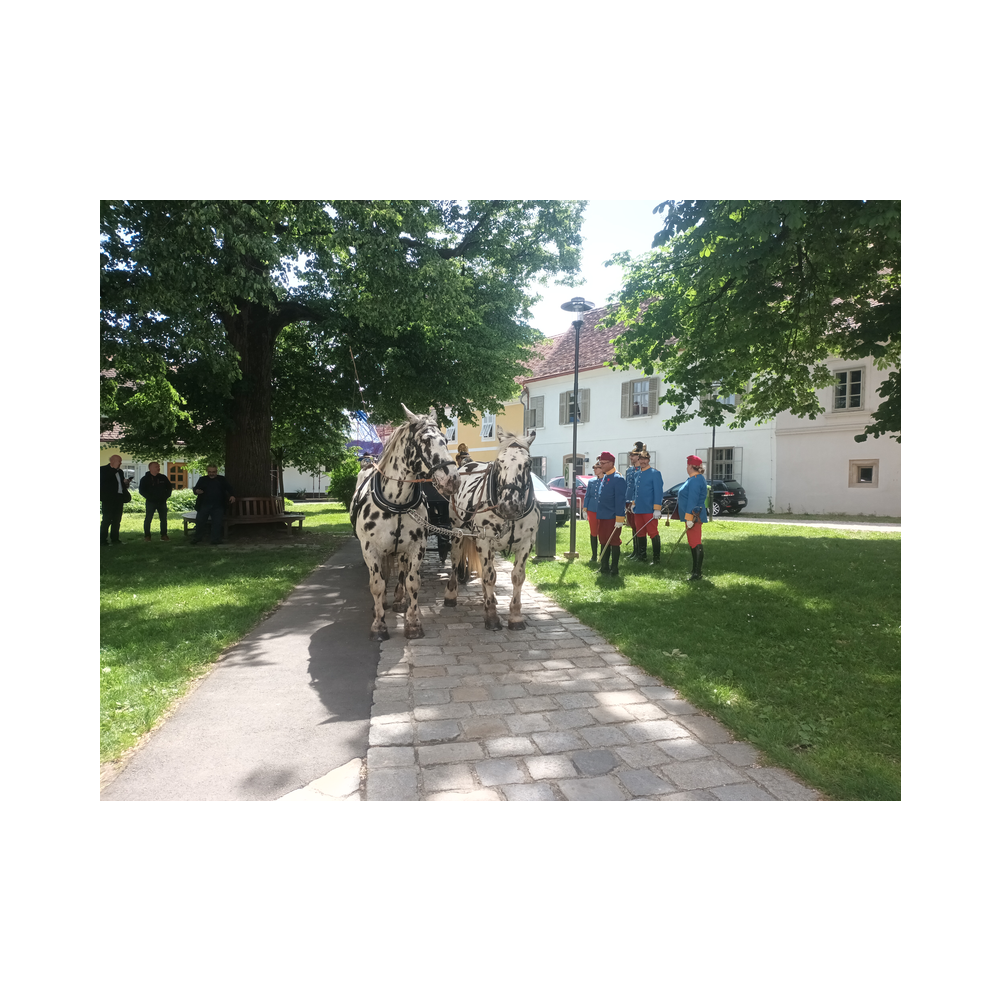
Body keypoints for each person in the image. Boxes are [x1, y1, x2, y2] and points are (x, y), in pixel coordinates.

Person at [675, 454, 709, 580]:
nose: (687, 467)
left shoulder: (695, 480)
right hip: (692, 516)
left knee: (695, 543)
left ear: (690, 466)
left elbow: (692, 500)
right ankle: (695, 570)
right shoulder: (694, 479)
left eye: (687, 465)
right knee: (693, 542)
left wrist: (689, 517)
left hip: (694, 516)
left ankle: (697, 573)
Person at [594, 451, 627, 575]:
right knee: (603, 540)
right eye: (600, 463)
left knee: (613, 541)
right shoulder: (606, 477)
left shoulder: (618, 479)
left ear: (611, 463)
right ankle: (604, 567)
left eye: (603, 463)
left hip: (612, 516)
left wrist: (619, 519)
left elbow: (620, 500)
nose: (601, 465)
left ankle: (614, 569)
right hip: (603, 515)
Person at [631, 446, 664, 563]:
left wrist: (657, 508)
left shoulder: (655, 473)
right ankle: (642, 556)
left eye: (645, 459)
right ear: (638, 460)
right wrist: (633, 503)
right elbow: (635, 491)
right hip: (639, 508)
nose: (643, 461)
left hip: (650, 509)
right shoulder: (637, 474)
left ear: (649, 460)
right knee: (640, 532)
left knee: (653, 532)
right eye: (641, 459)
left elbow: (658, 492)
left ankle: (656, 558)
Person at [191, 465, 236, 545]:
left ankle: (215, 539)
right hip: (204, 505)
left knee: (217, 523)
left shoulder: (222, 479)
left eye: (213, 472)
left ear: (216, 471)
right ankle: (197, 538)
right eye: (210, 472)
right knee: (200, 522)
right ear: (207, 471)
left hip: (218, 505)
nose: (211, 473)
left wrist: (232, 495)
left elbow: (229, 488)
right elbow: (196, 489)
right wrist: (196, 491)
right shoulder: (202, 479)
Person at [100, 454, 133, 546]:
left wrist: (125, 483)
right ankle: (102, 540)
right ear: (112, 461)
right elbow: (104, 480)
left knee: (117, 519)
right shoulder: (103, 469)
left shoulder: (120, 472)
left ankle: (115, 539)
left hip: (119, 498)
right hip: (108, 498)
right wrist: (114, 469)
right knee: (107, 519)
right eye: (119, 461)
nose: (120, 463)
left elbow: (119, 483)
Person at [139, 462, 173, 541]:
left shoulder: (163, 478)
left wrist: (166, 496)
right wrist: (150, 497)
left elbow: (169, 487)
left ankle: (164, 535)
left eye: (158, 466)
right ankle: (147, 536)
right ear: (150, 468)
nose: (158, 468)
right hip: (151, 502)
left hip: (162, 502)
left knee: (163, 519)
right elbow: (142, 490)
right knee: (148, 519)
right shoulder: (145, 479)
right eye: (156, 467)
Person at [623, 442, 644, 560]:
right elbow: (627, 486)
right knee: (632, 525)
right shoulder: (629, 470)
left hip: (637, 501)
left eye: (633, 455)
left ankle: (640, 552)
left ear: (639, 457)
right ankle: (635, 551)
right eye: (630, 455)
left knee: (638, 526)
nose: (631, 457)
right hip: (628, 500)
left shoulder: (642, 470)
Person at [583, 460, 604, 562]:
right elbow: (587, 495)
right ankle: (594, 555)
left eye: (597, 468)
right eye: (594, 468)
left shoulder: (606, 480)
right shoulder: (591, 481)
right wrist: (585, 508)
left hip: (602, 509)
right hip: (592, 509)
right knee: (593, 532)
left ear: (602, 469)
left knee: (602, 532)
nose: (595, 470)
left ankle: (602, 554)